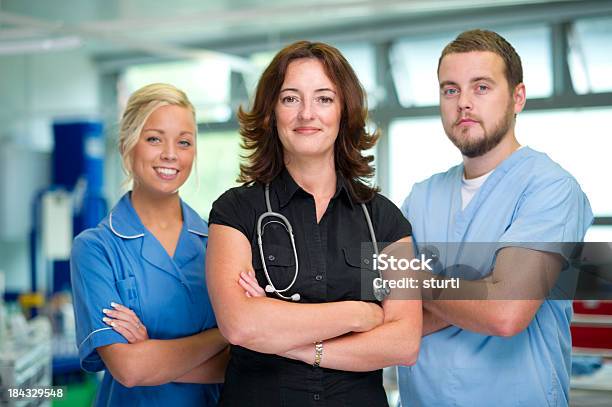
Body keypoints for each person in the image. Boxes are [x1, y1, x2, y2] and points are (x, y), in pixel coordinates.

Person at [206, 41, 422, 406]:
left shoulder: (385, 220)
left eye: (324, 98)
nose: (307, 113)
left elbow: (403, 342)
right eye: (291, 99)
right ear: (271, 112)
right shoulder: (235, 212)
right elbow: (240, 325)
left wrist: (286, 338)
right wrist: (360, 313)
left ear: (344, 111)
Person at [397, 30, 593, 406]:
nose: (463, 103)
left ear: (517, 97)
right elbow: (390, 312)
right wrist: (480, 290)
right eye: (450, 90)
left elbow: (505, 312)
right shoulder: (420, 197)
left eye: (481, 87)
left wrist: (416, 282)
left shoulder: (551, 188)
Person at [70, 83, 226, 406]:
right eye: (154, 138)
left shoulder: (220, 242)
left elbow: (242, 363)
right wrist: (222, 337)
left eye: (184, 142)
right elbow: (128, 369)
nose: (170, 154)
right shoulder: (96, 249)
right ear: (128, 145)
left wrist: (150, 353)